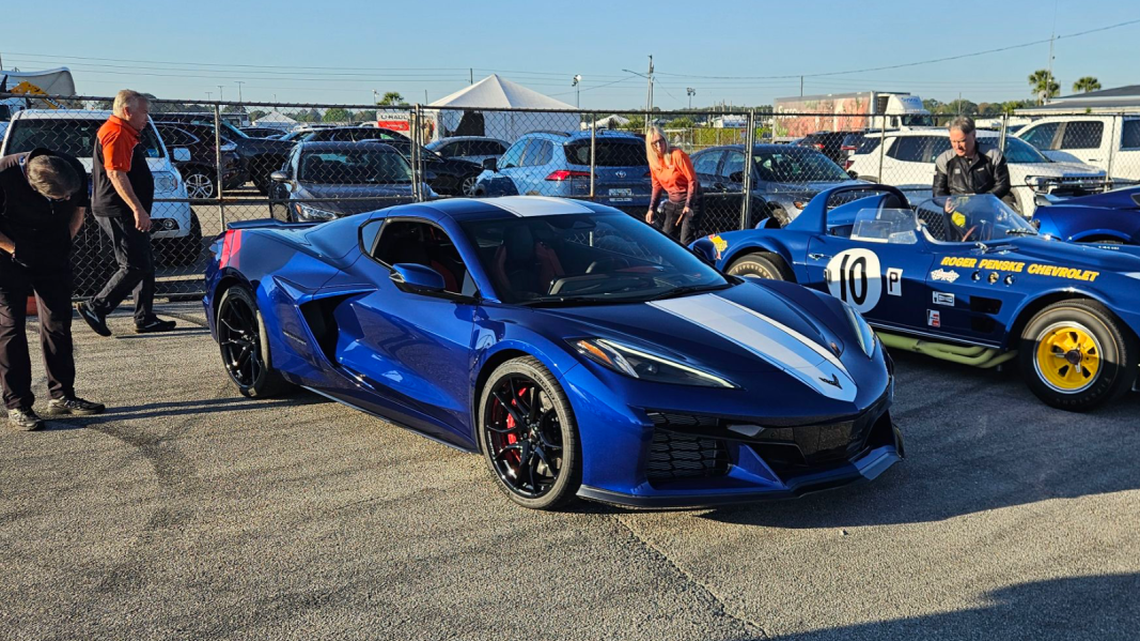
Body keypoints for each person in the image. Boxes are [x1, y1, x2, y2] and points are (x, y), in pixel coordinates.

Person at [0, 150, 106, 430]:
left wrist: (63, 243)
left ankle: (62, 395)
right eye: (59, 200)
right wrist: (15, 250)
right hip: (8, 253)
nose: (67, 201)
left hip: (51, 252)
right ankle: (18, 404)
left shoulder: (70, 169)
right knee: (11, 327)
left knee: (58, 321)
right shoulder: (3, 176)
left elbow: (80, 210)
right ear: (34, 188)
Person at [75, 89, 176, 337]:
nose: (147, 117)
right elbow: (116, 174)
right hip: (118, 209)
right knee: (133, 265)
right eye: (144, 112)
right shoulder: (117, 133)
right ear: (127, 111)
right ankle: (96, 307)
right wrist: (137, 209)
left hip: (124, 209)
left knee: (145, 264)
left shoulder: (127, 132)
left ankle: (145, 317)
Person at [933, 116, 1011, 212]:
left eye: (962, 141)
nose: (957, 146)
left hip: (986, 213)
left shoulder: (993, 154)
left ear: (974, 135)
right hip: (956, 215)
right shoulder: (944, 159)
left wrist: (981, 199)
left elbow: (1003, 184)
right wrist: (946, 202)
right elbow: (938, 192)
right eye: (953, 141)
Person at [645, 125, 702, 246]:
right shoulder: (654, 163)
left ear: (665, 139)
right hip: (673, 203)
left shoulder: (677, 155)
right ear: (650, 146)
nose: (659, 146)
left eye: (661, 141)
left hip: (691, 201)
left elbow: (692, 180)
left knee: (685, 241)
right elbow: (657, 186)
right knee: (666, 240)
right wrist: (651, 209)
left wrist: (688, 205)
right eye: (654, 143)